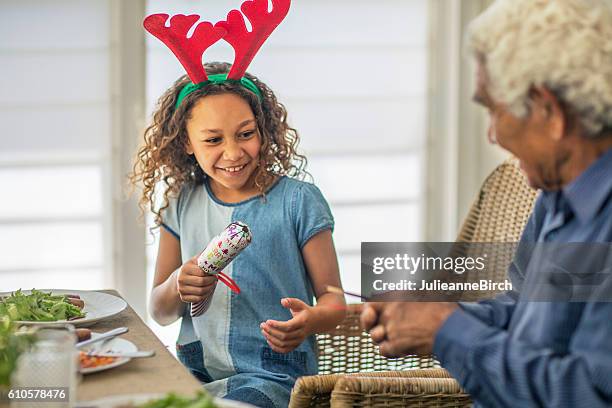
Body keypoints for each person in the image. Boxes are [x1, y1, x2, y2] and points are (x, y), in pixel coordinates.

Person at [361, 0, 612, 406]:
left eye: (494, 110)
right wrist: (429, 315)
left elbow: (589, 396)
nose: (492, 135)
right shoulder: (557, 195)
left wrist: (447, 330)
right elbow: (519, 311)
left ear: (550, 112)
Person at [129, 61, 346, 407]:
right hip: (194, 374)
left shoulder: (298, 201)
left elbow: (335, 302)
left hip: (272, 377)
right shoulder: (181, 202)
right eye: (213, 139)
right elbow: (160, 311)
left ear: (263, 129)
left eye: (246, 133)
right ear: (186, 142)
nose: (233, 153)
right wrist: (176, 285)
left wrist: (310, 320)